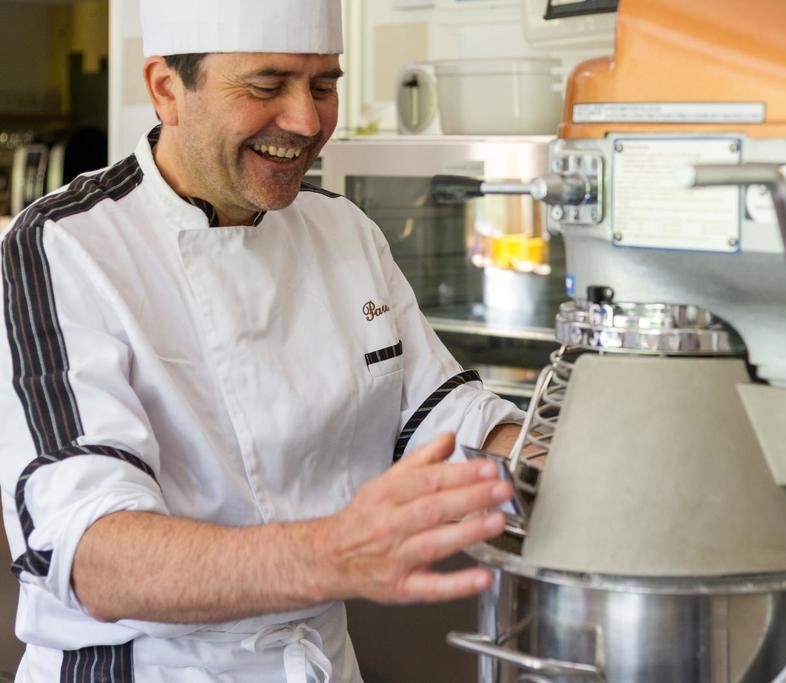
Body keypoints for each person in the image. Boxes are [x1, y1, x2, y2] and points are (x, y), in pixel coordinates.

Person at [0, 1, 524, 681]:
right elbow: (91, 552)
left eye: (324, 85)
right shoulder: (65, 246)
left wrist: (568, 466)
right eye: (266, 86)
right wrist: (334, 553)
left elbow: (447, 420)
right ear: (166, 89)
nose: (307, 122)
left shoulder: (345, 229)